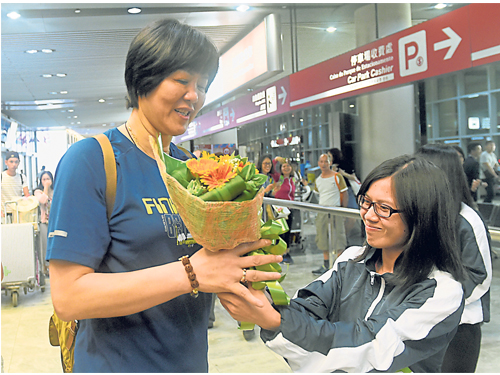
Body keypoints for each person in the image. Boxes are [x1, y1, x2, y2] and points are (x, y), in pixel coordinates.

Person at [47, 19, 283, 373]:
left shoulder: (195, 170)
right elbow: (68, 297)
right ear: (144, 79)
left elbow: (213, 266)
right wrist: (192, 272)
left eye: (202, 85)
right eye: (182, 80)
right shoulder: (93, 161)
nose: (194, 96)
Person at [218, 155, 467, 373]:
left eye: (383, 208)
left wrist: (275, 321)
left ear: (421, 214)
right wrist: (264, 301)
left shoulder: (441, 293)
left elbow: (369, 348)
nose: (368, 215)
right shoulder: (351, 260)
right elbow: (307, 307)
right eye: (366, 202)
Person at [416, 144, 492, 373]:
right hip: (422, 321)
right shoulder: (422, 213)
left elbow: (479, 277)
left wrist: (435, 300)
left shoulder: (467, 220)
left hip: (459, 326)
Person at [311, 153, 348, 275]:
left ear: (330, 163)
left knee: (339, 237)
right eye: (321, 161)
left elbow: (344, 193)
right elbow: (318, 194)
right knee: (322, 237)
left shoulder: (337, 177)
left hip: (335, 210)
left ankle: (339, 264)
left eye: (326, 161)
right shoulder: (318, 180)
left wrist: (343, 210)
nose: (323, 164)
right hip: (322, 211)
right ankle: (326, 264)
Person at [271, 157, 296, 264]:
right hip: (280, 209)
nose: (286, 168)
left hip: (289, 208)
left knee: (288, 232)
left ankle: (286, 253)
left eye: (288, 166)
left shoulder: (292, 179)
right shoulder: (279, 178)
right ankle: (279, 254)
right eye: (284, 166)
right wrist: (276, 159)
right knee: (281, 232)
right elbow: (272, 169)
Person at [34, 171, 54, 276]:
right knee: (44, 245)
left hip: (54, 222)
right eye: (44, 179)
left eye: (48, 179)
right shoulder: (38, 192)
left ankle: (54, 267)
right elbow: (42, 200)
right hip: (44, 222)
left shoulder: (56, 190)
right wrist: (45, 188)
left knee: (54, 245)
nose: (46, 181)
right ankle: (44, 267)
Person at [1, 151, 30, 223]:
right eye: (11, 162)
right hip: (4, 212)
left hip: (18, 212)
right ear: (6, 162)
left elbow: (27, 195)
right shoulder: (1, 177)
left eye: (16, 162)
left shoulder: (22, 177)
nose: (14, 164)